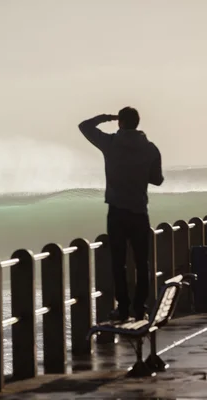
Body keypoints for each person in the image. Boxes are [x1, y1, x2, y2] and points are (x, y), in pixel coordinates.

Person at [78, 107, 164, 321]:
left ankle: (123, 309)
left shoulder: (111, 143)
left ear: (120, 122)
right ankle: (140, 307)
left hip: (117, 211)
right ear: (137, 122)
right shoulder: (150, 149)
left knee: (119, 262)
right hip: (139, 211)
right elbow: (157, 179)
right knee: (142, 262)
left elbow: (84, 126)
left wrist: (107, 117)